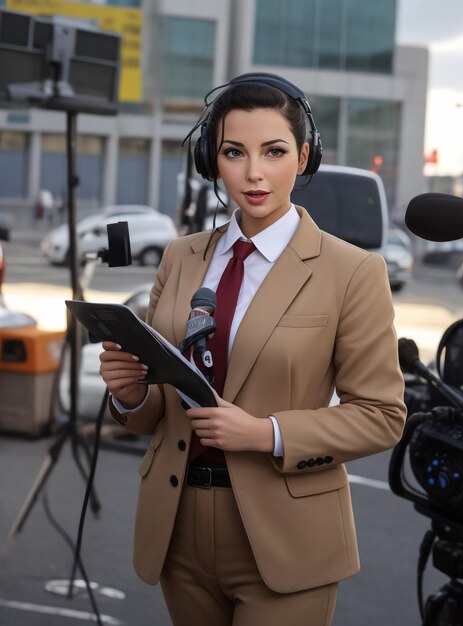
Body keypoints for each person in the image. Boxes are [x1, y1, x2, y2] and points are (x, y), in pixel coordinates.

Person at [99, 73, 406, 626]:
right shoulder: (180, 256)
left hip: (286, 537)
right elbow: (155, 414)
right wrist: (128, 395)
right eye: (234, 153)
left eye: (274, 151)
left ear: (304, 157)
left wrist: (267, 433)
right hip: (178, 526)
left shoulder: (353, 271)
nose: (254, 172)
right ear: (210, 161)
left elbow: (381, 417)